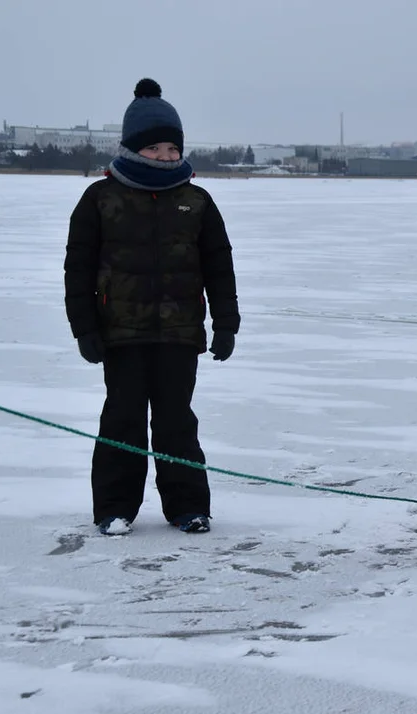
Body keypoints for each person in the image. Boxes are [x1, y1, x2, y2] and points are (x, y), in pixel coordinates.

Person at [63, 78, 240, 536]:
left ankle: (188, 507)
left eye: (171, 147)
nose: (165, 155)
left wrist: (226, 324)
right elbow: (78, 270)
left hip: (179, 333)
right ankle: (115, 509)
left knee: (177, 422)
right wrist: (84, 328)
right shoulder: (100, 200)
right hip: (120, 333)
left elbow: (219, 267)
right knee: (121, 420)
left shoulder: (196, 202)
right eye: (155, 148)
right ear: (133, 148)